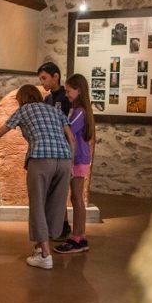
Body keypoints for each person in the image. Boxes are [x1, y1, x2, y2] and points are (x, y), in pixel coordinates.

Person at [0, 85, 73, 270]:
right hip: (65, 160)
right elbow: (71, 138)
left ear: (22, 98)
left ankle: (45, 255)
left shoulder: (23, 110)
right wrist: (72, 164)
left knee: (37, 205)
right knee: (56, 205)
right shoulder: (54, 110)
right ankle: (40, 247)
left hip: (41, 158)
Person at [55, 74, 96, 255]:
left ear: (78, 90)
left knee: (77, 198)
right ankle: (77, 236)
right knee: (75, 198)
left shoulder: (79, 111)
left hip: (78, 158)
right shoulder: (78, 110)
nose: (66, 93)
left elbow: (69, 131)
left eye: (69, 89)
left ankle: (79, 237)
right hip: (78, 157)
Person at [37, 62, 72, 240]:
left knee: (60, 192)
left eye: (44, 78)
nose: (42, 83)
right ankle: (57, 225)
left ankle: (63, 225)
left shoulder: (66, 97)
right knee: (52, 191)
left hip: (63, 149)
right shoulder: (47, 99)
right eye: (40, 79)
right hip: (51, 149)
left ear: (55, 76)